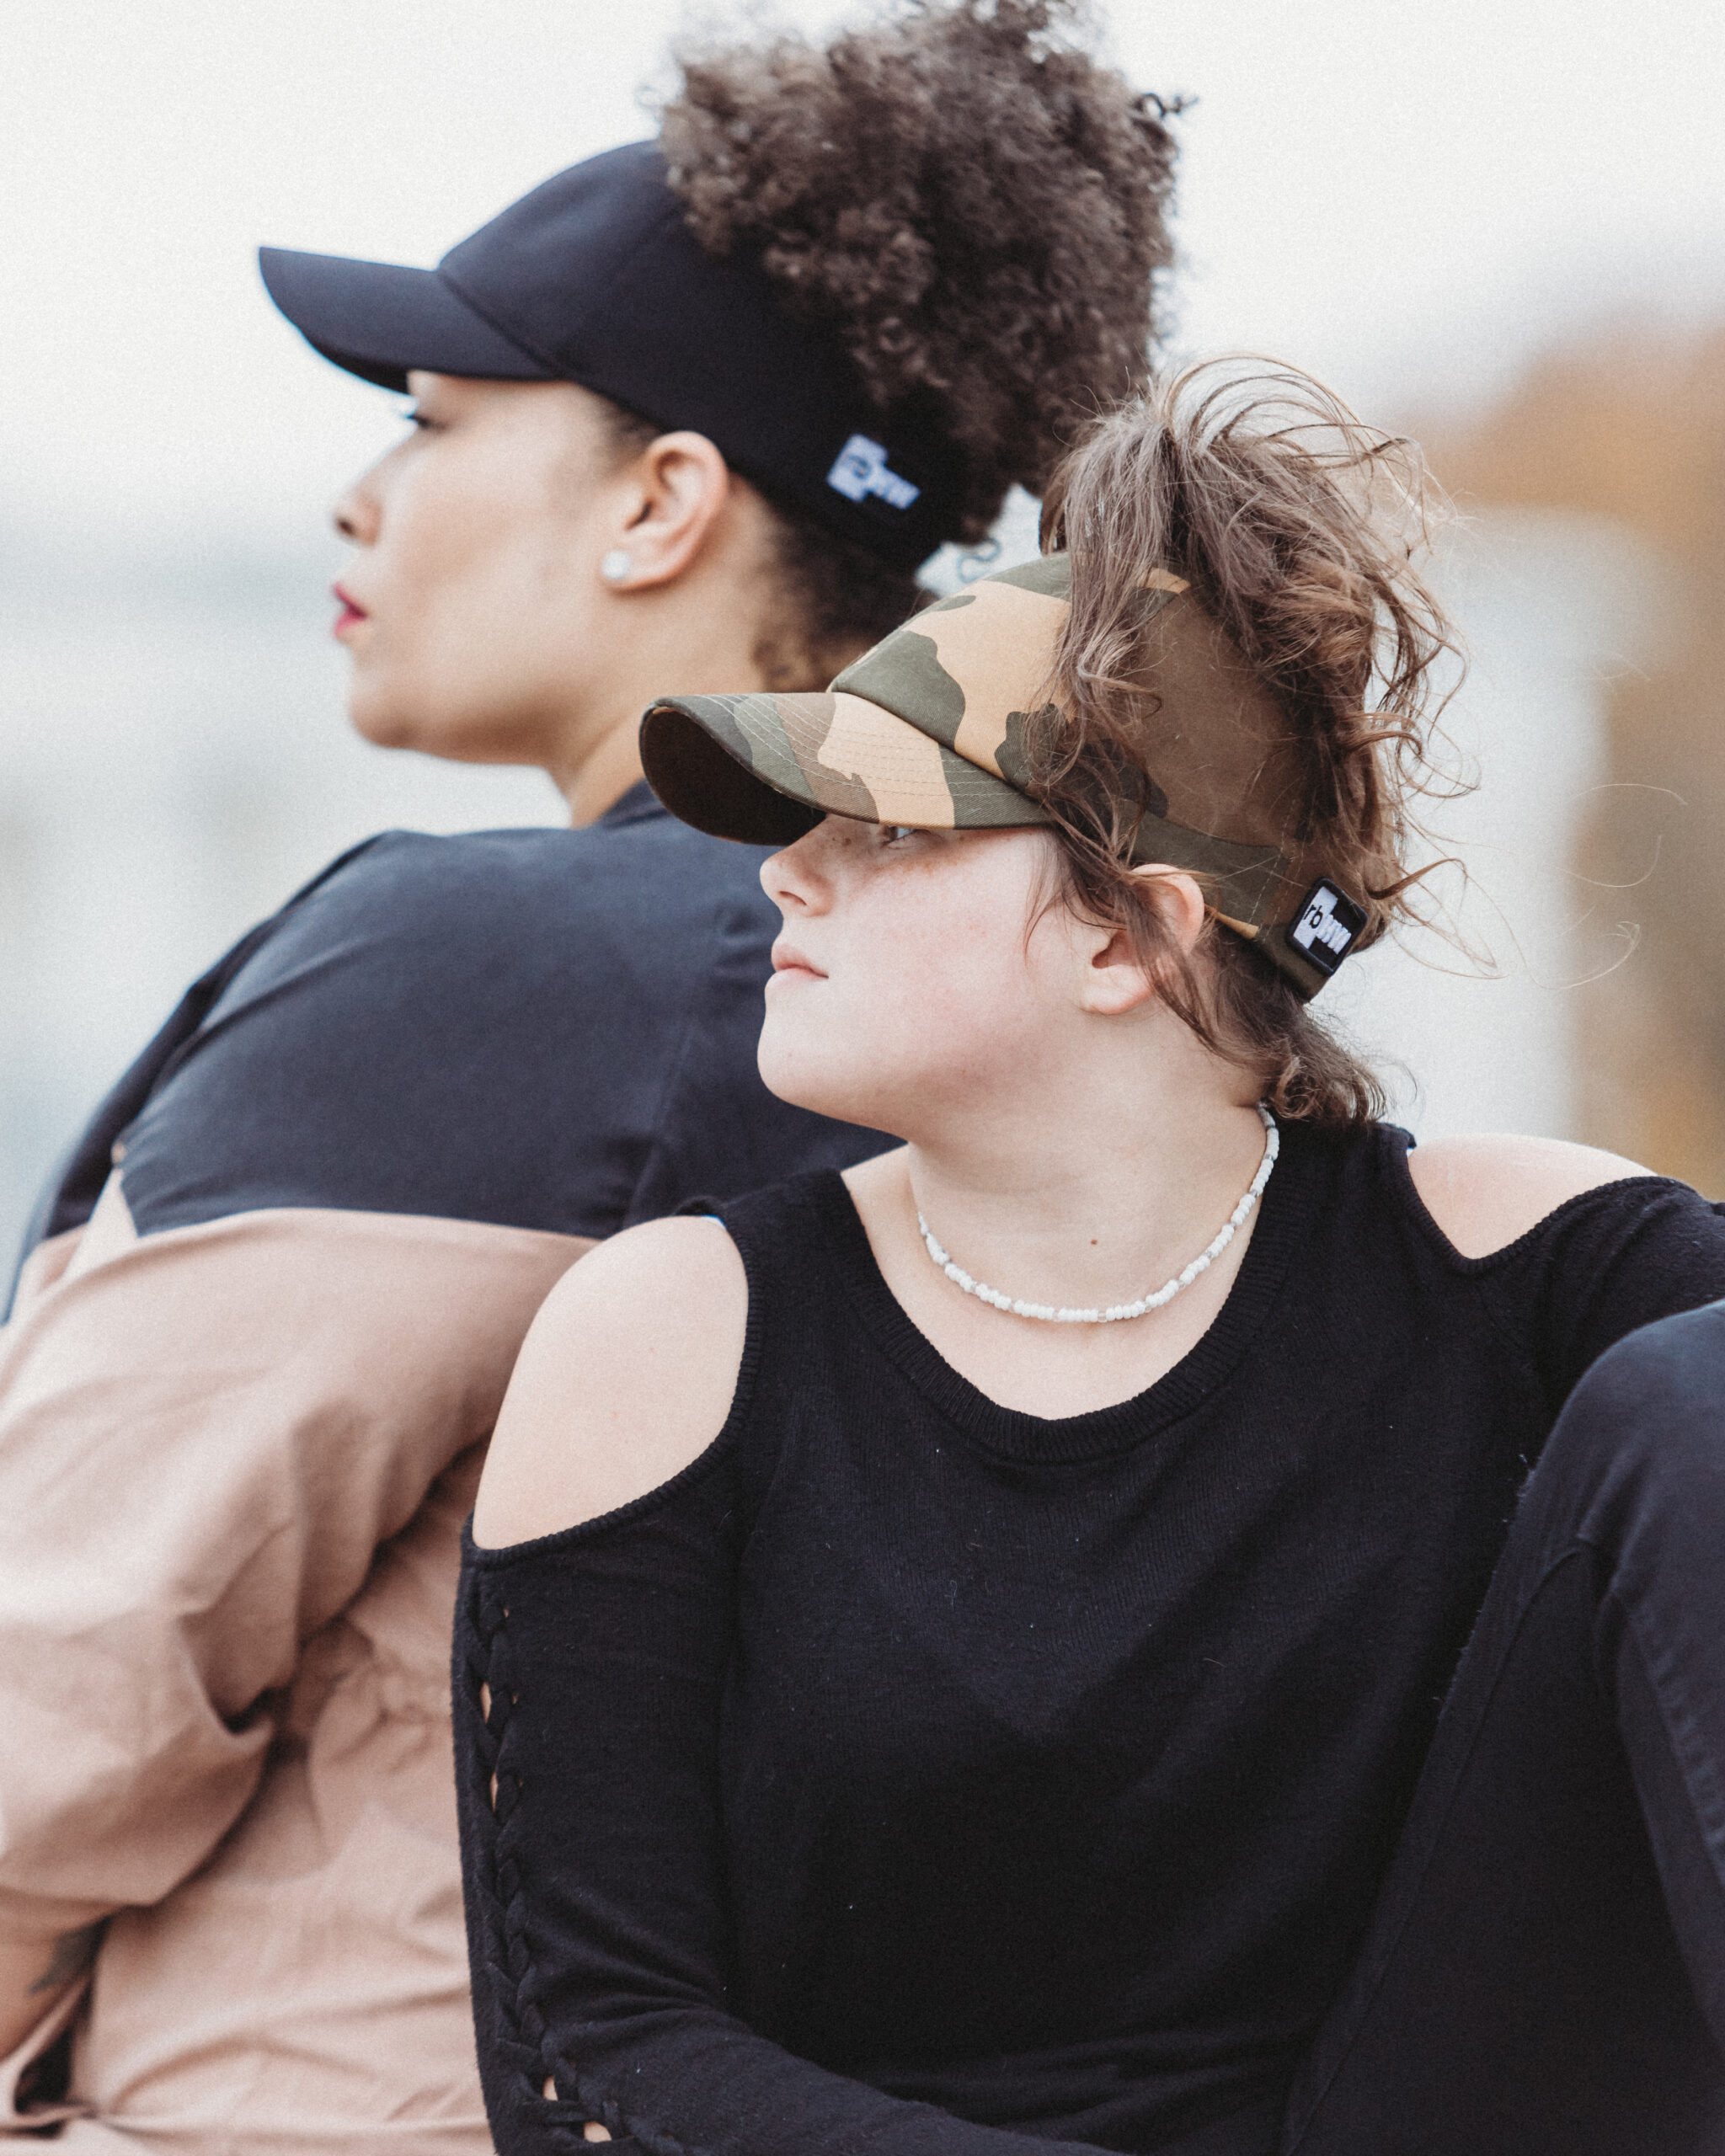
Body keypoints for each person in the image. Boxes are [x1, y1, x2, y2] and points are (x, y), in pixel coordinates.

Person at [0, 4, 1182, 2144]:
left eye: (437, 418)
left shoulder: (492, 973)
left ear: (659, 505)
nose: (357, 491)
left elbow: (49, 1700)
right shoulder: (1102, 987)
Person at [454, 364, 1725, 2156]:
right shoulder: (670, 1335)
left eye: (884, 827)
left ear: (1133, 930)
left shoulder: (1537, 1269)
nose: (783, 881)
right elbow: (595, 2058)